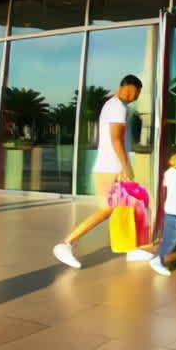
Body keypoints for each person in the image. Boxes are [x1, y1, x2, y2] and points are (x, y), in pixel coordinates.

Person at [53, 75, 147, 268]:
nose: (137, 97)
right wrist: (126, 166)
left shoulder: (114, 105)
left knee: (126, 206)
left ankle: (130, 249)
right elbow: (117, 140)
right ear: (132, 89)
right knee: (108, 209)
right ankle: (66, 244)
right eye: (138, 93)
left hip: (111, 166)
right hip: (110, 168)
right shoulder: (118, 108)